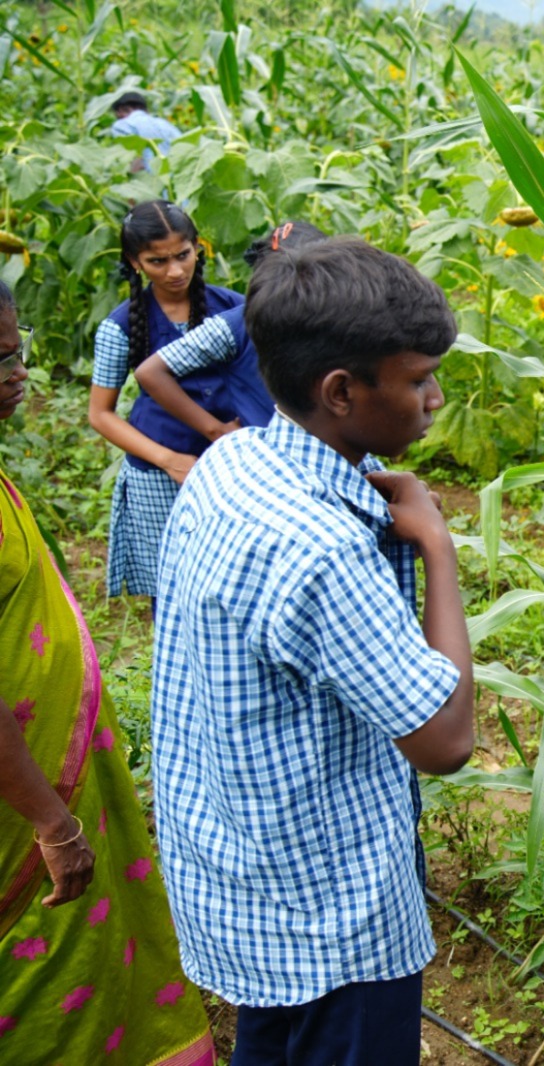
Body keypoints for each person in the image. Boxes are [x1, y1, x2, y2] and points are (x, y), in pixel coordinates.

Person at [147, 238, 475, 1065]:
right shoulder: (320, 550)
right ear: (340, 391)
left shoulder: (229, 464)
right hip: (337, 919)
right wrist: (435, 546)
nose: (435, 398)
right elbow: (444, 741)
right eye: (418, 379)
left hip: (250, 888)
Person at [0, 279, 215, 1065]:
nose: (17, 372)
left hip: (49, 774)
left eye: (15, 351)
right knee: (38, 976)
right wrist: (51, 823)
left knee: (89, 954)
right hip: (23, 811)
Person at [88, 200, 241, 605]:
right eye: (157, 261)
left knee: (233, 579)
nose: (174, 271)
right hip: (159, 473)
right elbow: (100, 414)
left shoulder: (235, 309)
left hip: (232, 463)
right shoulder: (118, 328)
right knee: (172, 590)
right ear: (134, 262)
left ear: (198, 248)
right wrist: (167, 460)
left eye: (182, 256)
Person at [132, 222, 326, 445]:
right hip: (265, 459)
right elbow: (150, 372)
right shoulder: (237, 324)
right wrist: (215, 430)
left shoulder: (338, 321)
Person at [107, 90, 182, 174]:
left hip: (152, 182)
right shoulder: (166, 124)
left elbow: (133, 159)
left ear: (120, 112)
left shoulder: (121, 125)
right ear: (146, 110)